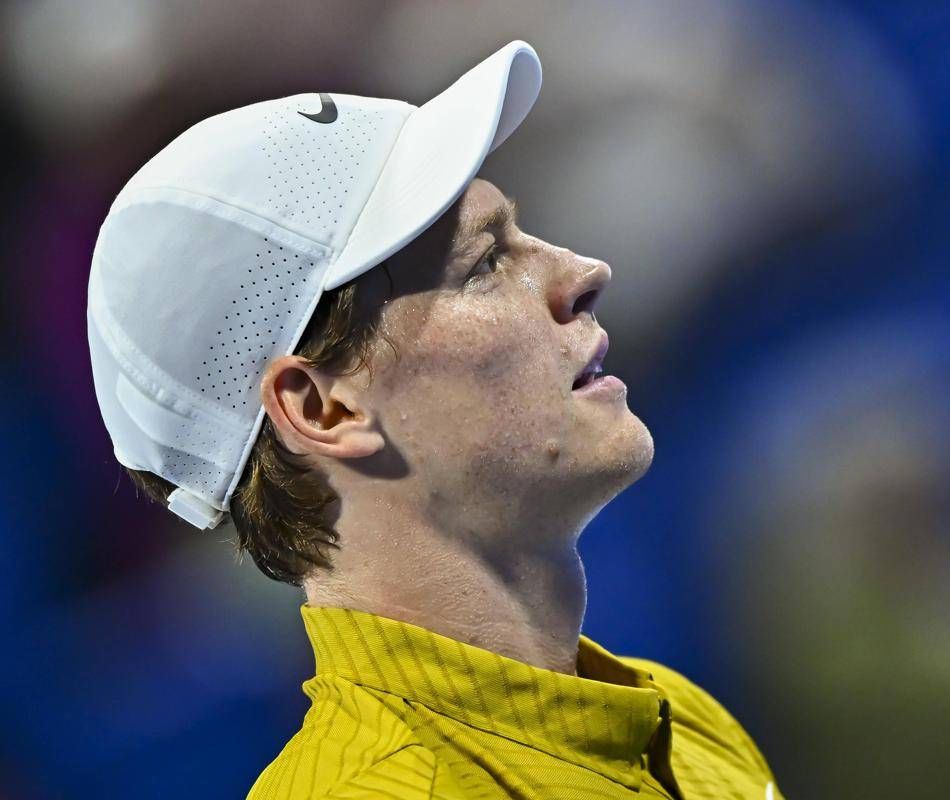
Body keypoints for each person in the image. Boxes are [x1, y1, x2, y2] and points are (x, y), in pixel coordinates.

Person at [87, 40, 780, 799]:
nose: (584, 272)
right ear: (323, 408)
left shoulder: (687, 721)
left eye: (522, 235)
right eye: (482, 265)